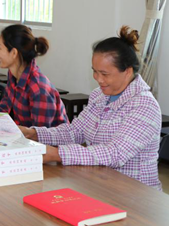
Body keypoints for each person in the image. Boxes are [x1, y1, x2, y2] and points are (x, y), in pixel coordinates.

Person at [20, 27, 162, 190]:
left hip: (135, 193)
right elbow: (75, 132)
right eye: (95, 72)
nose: (98, 79)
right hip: (99, 182)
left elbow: (115, 153)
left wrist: (57, 154)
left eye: (105, 74)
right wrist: (33, 133)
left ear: (127, 72)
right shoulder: (99, 96)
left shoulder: (144, 106)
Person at [0, 24, 68, 127]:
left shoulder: (38, 88)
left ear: (14, 53)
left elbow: (39, 132)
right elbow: (6, 104)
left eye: (0, 48)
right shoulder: (13, 74)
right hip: (24, 135)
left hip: (41, 137)